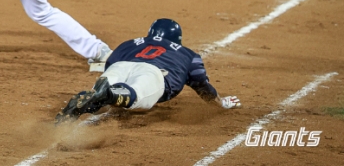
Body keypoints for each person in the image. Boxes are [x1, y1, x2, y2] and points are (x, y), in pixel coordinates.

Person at [55, 18, 241, 124]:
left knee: (99, 95)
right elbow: (202, 87)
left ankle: (75, 112)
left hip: (121, 66)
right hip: (154, 73)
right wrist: (220, 103)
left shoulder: (129, 43)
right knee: (136, 97)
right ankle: (110, 95)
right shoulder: (188, 54)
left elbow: (110, 64)